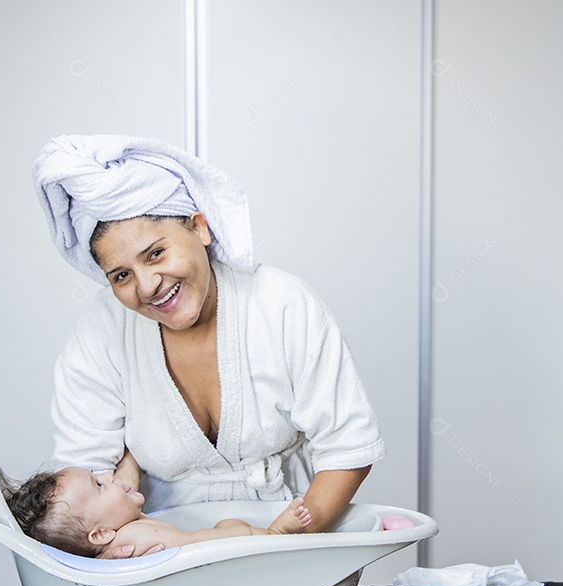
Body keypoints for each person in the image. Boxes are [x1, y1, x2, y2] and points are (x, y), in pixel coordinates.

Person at [33, 135, 384, 557]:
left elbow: (348, 447)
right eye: (121, 276)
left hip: (293, 536)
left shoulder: (282, 305)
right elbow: (82, 481)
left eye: (156, 253)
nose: (147, 286)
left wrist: (281, 550)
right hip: (160, 559)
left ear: (199, 227)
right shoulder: (101, 333)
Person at [0, 464, 311, 559]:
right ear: (101, 533)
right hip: (219, 558)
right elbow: (201, 544)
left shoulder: (119, 541)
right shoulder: (136, 536)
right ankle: (277, 534)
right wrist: (250, 534)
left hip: (210, 558)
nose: (109, 475)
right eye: (98, 485)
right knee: (230, 528)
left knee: (227, 522)